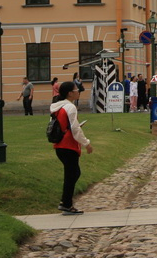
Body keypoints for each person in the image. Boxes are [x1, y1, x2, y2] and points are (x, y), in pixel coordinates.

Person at [51, 81, 93, 214]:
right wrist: (86, 143)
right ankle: (66, 204)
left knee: (73, 173)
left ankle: (65, 201)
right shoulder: (70, 108)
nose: (78, 91)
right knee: (72, 174)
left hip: (60, 145)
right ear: (70, 93)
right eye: (76, 90)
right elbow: (75, 129)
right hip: (68, 145)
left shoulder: (57, 107)